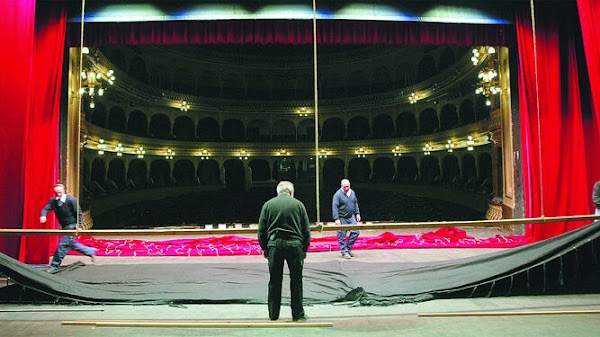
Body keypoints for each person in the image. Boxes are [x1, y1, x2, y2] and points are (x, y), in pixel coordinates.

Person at [258, 181, 310, 322]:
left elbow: (261, 230)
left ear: (278, 192)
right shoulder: (298, 205)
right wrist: (305, 248)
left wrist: (265, 248)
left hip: (275, 245)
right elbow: (306, 230)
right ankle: (298, 315)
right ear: (291, 192)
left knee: (274, 281)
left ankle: (273, 314)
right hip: (295, 245)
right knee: (296, 281)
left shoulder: (268, 205)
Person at [40, 184, 96, 269]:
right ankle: (90, 251)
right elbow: (46, 209)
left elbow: (79, 213)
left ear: (64, 191)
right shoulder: (53, 201)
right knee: (70, 243)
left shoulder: (71, 200)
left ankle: (54, 266)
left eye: (60, 192)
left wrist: (79, 225)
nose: (58, 194)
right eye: (56, 193)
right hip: (64, 226)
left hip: (72, 225)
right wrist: (43, 215)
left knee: (62, 245)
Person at [332, 178, 361, 259]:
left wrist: (357, 213)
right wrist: (336, 218)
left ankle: (347, 249)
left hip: (351, 217)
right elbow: (335, 206)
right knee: (341, 235)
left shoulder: (352, 192)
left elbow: (355, 203)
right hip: (342, 217)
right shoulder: (338, 194)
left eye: (347, 187)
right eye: (344, 187)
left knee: (356, 232)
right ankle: (344, 252)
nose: (346, 188)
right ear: (341, 186)